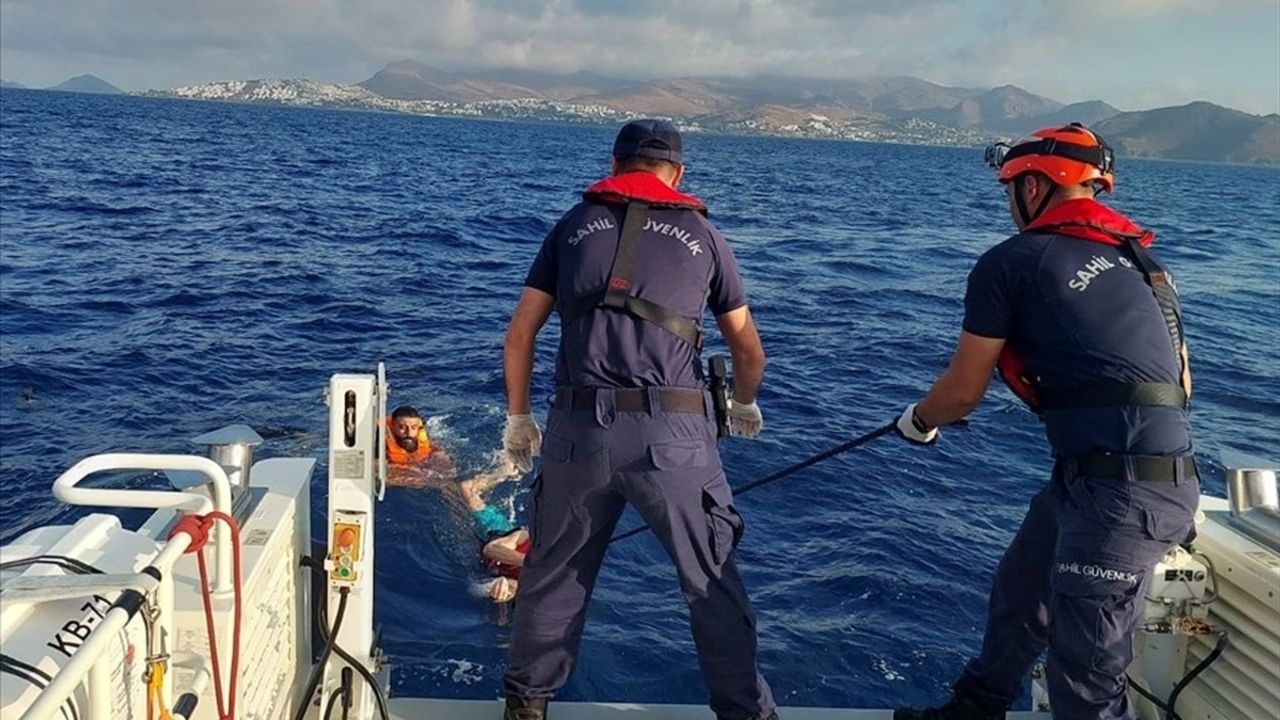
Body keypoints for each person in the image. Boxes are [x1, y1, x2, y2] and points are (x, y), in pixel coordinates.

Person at [893, 123, 1199, 720]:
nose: (1008, 202)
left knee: (1085, 676)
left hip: (1118, 494)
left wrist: (919, 422)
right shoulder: (1143, 263)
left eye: (1009, 187)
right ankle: (974, 711)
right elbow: (1182, 387)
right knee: (1021, 595)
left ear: (1033, 186)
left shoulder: (1013, 262)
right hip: (1125, 479)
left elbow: (959, 395)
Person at [499, 119, 777, 720]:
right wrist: (745, 402)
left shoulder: (572, 228)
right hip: (673, 437)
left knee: (553, 576)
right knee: (711, 580)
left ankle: (526, 706)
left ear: (616, 164)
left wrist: (518, 417)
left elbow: (520, 334)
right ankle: (746, 714)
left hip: (577, 433)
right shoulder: (705, 237)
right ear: (677, 173)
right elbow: (748, 350)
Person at [459, 464, 531, 603]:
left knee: (451, 499)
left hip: (481, 561)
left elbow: (510, 586)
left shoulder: (548, 575)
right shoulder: (526, 538)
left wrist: (502, 593)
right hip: (492, 531)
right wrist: (529, 562)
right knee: (466, 489)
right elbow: (490, 549)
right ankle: (503, 473)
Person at [384, 405, 455, 482]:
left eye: (413, 427)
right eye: (402, 427)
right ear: (393, 426)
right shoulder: (381, 440)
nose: (409, 433)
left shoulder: (423, 436)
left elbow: (435, 448)